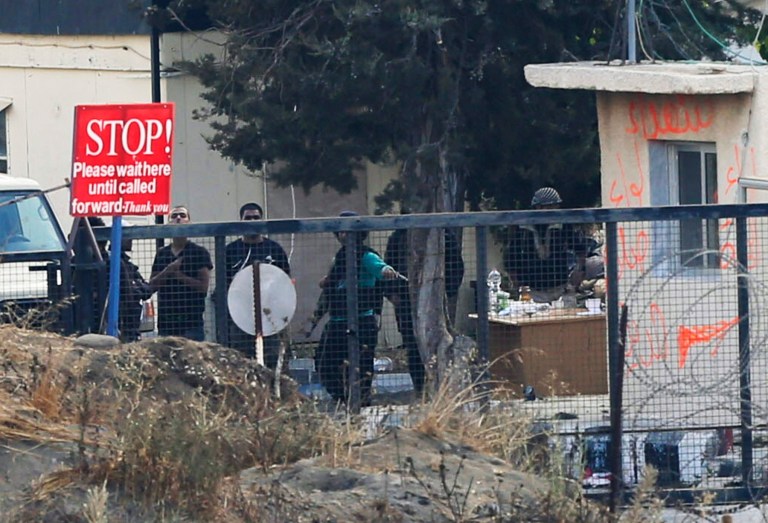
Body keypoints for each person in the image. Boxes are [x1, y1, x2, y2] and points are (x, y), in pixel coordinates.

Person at [317, 211, 398, 406]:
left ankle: (361, 402)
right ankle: (343, 399)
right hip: (338, 321)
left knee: (362, 365)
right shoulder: (340, 256)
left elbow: (380, 268)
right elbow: (330, 285)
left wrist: (386, 271)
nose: (344, 234)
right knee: (324, 362)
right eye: (341, 230)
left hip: (362, 319)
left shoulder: (366, 255)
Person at [384, 227, 464, 393]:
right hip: (406, 301)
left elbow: (456, 266)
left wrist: (447, 292)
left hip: (436, 301)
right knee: (413, 348)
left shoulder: (443, 234)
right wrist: (392, 293)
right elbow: (388, 267)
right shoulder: (399, 237)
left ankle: (441, 390)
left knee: (440, 343)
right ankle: (420, 390)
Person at [225, 202, 290, 367]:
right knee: (241, 364)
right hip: (240, 319)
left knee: (273, 363)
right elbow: (224, 286)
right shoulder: (230, 251)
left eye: (256, 218)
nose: (252, 221)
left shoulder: (274, 249)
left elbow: (286, 282)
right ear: (241, 221)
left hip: (271, 319)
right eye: (248, 218)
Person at [504, 187, 589, 303]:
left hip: (561, 288)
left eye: (555, 206)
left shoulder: (563, 225)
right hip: (532, 291)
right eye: (549, 206)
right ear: (537, 207)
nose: (553, 210)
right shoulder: (523, 228)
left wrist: (579, 271)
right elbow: (511, 257)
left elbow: (580, 249)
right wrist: (516, 283)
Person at [149, 206, 213, 340]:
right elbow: (151, 286)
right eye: (174, 216)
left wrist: (179, 275)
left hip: (192, 323)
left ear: (189, 223)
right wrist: (168, 271)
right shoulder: (162, 254)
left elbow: (203, 288)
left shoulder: (199, 252)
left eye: (182, 215)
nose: (178, 218)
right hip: (166, 323)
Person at [108, 224, 151, 342]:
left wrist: (137, 286)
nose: (130, 239)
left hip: (132, 324)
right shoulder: (113, 263)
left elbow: (147, 290)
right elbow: (132, 293)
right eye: (127, 236)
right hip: (123, 323)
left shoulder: (128, 264)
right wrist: (136, 287)